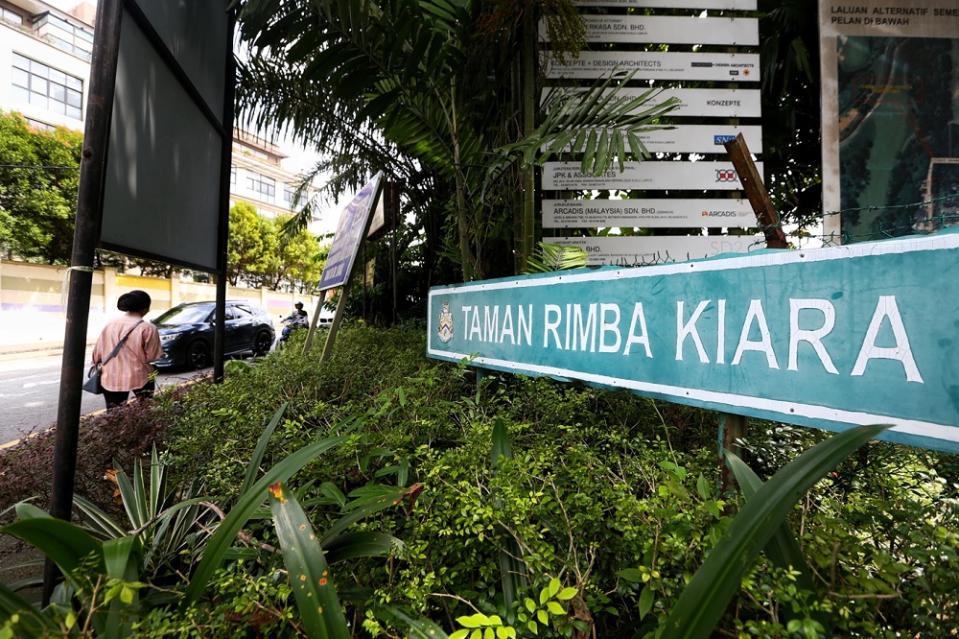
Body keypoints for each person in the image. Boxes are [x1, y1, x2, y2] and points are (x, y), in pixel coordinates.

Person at [91, 290, 164, 409]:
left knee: (115, 413)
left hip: (111, 376)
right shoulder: (148, 328)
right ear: (146, 308)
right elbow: (152, 356)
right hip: (141, 376)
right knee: (145, 409)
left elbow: (97, 354)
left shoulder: (110, 324)